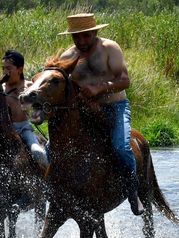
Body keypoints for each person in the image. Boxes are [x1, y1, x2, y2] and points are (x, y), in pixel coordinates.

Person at [58, 13, 144, 215]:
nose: (81, 41)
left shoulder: (109, 48)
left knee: (120, 147)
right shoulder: (67, 57)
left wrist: (99, 89)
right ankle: (55, 192)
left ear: (95, 32)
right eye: (76, 37)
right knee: (52, 147)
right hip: (84, 112)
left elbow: (124, 80)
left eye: (86, 36)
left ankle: (133, 192)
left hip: (115, 106)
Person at [0, 50, 48, 212]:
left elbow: (38, 117)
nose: (5, 72)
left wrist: (31, 105)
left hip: (24, 128)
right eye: (3, 68)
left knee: (38, 153)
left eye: (9, 68)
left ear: (19, 69)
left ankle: (44, 188)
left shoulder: (29, 86)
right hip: (5, 133)